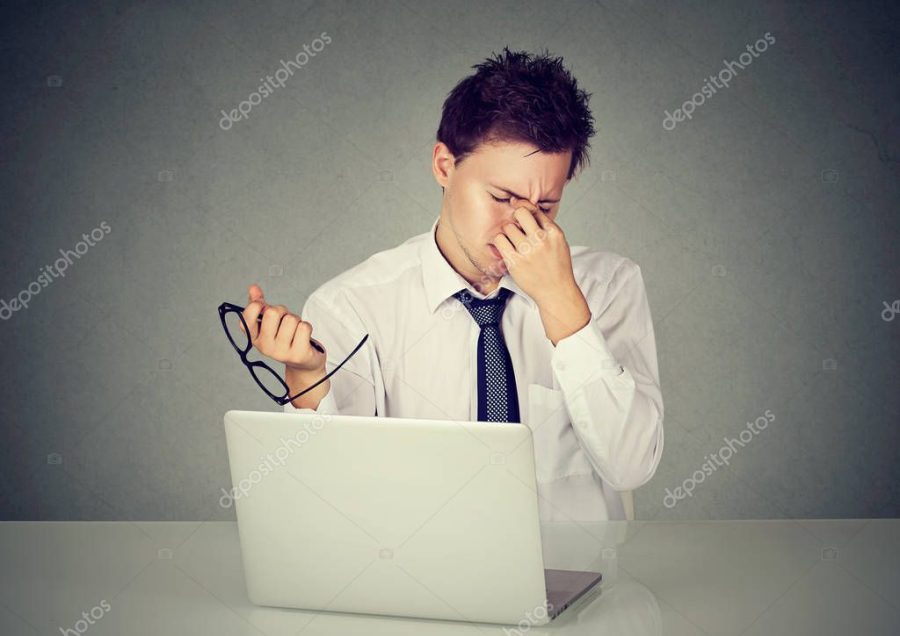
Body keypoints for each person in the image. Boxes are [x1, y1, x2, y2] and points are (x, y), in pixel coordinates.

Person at [240, 47, 663, 521]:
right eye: (502, 197)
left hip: (573, 576)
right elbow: (328, 499)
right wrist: (304, 378)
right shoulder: (352, 306)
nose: (520, 225)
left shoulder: (608, 287)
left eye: (546, 207)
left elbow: (631, 466)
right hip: (415, 582)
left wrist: (562, 303)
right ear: (444, 165)